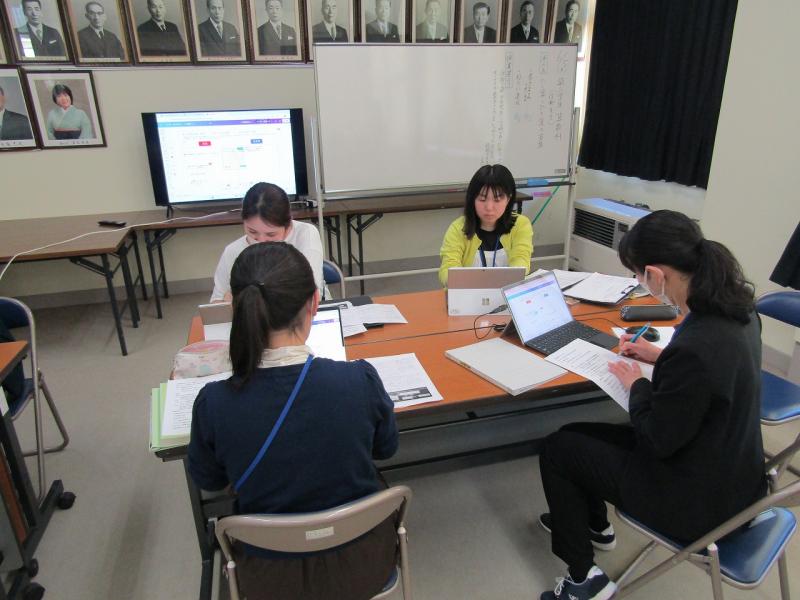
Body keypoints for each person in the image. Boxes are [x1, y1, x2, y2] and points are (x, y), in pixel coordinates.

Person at [537, 210, 766, 600]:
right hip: (736, 480)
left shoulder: (696, 346)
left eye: (638, 276)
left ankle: (583, 581)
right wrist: (660, 358)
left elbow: (656, 439)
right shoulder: (740, 311)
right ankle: (594, 525)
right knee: (574, 435)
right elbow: (712, 380)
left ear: (656, 275)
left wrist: (637, 385)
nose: (639, 284)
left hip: (696, 503)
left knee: (557, 450)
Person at [189, 242, 399, 599]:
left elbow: (210, 480)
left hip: (269, 581)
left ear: (235, 308)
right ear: (315, 302)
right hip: (363, 566)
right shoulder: (359, 380)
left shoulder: (213, 403)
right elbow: (386, 449)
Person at [211, 182, 324, 303]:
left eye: (271, 234)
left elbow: (309, 295)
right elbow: (217, 302)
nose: (261, 241)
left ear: (288, 225)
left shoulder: (305, 234)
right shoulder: (233, 251)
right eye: (252, 232)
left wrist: (238, 297)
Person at [438, 164, 533, 287]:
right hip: (467, 292)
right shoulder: (458, 228)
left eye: (497, 200)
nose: (489, 207)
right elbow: (448, 266)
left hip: (507, 292)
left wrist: (511, 280)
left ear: (508, 199)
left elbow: (521, 259)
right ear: (473, 199)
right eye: (482, 199)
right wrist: (455, 281)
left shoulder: (520, 224)